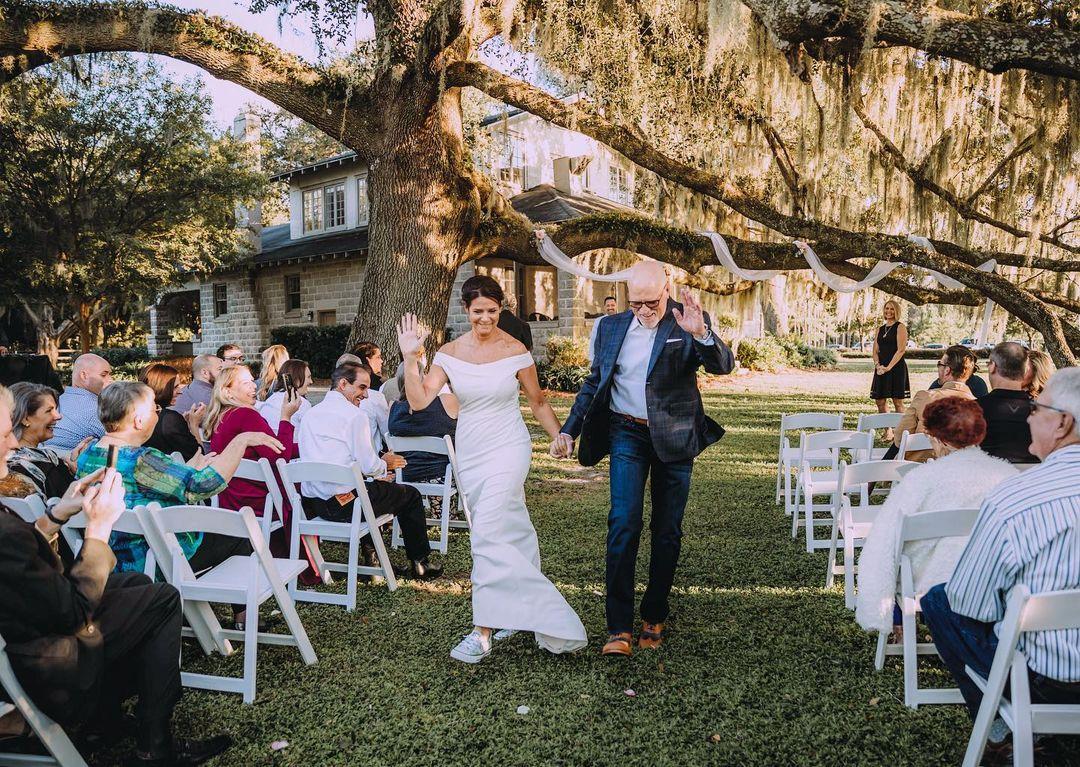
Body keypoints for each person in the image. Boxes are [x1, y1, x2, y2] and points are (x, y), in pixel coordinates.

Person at [0, 386, 233, 765]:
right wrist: (97, 530)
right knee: (162, 598)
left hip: (36, 636)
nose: (13, 443)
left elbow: (19, 557)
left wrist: (58, 514)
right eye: (4, 436)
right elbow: (74, 613)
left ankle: (105, 722)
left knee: (137, 584)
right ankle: (154, 744)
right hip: (52, 665)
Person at [399, 274, 586, 663]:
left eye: (492, 311)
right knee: (513, 528)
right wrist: (410, 358)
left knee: (485, 535)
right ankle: (521, 614)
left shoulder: (516, 350)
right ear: (466, 310)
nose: (485, 318)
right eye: (478, 311)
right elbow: (418, 402)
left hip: (509, 448)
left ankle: (482, 631)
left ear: (501, 309)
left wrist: (559, 435)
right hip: (471, 452)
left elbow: (537, 401)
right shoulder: (449, 353)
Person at [558, 263, 735, 657]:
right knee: (623, 522)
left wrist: (701, 334)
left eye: (650, 303)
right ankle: (618, 626)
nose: (642, 311)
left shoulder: (689, 320)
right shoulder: (610, 327)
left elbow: (723, 365)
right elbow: (594, 382)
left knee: (667, 529)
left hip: (675, 435)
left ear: (666, 288)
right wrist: (570, 429)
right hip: (627, 433)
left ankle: (654, 613)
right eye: (635, 303)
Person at [920, 368, 1080, 757]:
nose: (1028, 417)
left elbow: (970, 603)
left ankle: (998, 732)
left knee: (940, 600)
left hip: (1051, 679)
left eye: (1036, 409)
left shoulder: (1015, 499)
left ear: (1062, 423)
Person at [75, 382, 283, 584]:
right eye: (155, 409)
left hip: (108, 556)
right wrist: (241, 441)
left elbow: (144, 489)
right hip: (155, 558)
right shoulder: (142, 459)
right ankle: (239, 606)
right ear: (138, 421)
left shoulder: (88, 454)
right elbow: (204, 486)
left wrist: (190, 470)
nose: (158, 415)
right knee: (238, 533)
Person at [855, 397, 1017, 635]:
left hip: (928, 584)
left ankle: (901, 624)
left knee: (898, 554)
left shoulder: (919, 480)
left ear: (940, 439)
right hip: (991, 581)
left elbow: (883, 542)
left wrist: (876, 611)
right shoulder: (1008, 477)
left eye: (930, 436)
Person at [298, 362, 442, 580]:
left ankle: (373, 562)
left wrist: (375, 473)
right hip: (347, 506)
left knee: (370, 490)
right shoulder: (354, 416)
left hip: (315, 504)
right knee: (410, 495)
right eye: (362, 387)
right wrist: (385, 464)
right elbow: (369, 466)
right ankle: (421, 562)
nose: (365, 395)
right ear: (343, 384)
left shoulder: (310, 414)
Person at [204, 365, 300, 535]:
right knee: (307, 489)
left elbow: (270, 449)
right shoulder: (246, 415)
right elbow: (280, 457)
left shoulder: (222, 416)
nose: (254, 386)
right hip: (260, 502)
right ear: (228, 392)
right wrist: (286, 417)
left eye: (252, 381)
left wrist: (306, 448)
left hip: (231, 499)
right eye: (245, 383)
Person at [0, 382, 91, 501]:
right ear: (25, 418)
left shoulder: (7, 462)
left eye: (55, 409)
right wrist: (78, 472)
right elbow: (74, 501)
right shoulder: (44, 464)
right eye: (49, 411)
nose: (58, 416)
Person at [886, 345, 976, 462]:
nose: (938, 368)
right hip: (955, 470)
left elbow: (900, 438)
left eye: (940, 364)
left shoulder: (925, 396)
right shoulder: (977, 406)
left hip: (916, 468)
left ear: (947, 370)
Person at [387, 355, 458, 482]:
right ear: (421, 379)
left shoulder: (393, 407)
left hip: (405, 480)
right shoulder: (448, 401)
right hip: (443, 478)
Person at [977, 342, 1037, 464]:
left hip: (984, 473)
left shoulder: (971, 410)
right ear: (1025, 370)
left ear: (992, 366)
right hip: (1034, 474)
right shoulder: (1043, 412)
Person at [45, 352, 112, 451]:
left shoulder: (57, 400)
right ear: (84, 376)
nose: (110, 379)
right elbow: (122, 441)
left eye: (110, 374)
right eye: (104, 375)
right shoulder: (96, 410)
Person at [140, 363, 203, 460]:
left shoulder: (138, 414)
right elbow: (199, 456)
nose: (180, 391)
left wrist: (182, 425)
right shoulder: (169, 419)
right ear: (160, 388)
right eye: (175, 387)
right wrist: (194, 425)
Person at [869, 299, 910, 432]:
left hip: (896, 368)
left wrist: (889, 367)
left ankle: (900, 432)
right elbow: (875, 351)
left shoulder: (900, 327)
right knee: (880, 401)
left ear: (896, 311)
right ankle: (888, 431)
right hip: (881, 368)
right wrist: (878, 365)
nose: (889, 311)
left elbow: (901, 350)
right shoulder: (880, 329)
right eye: (887, 308)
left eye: (892, 309)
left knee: (897, 402)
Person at [338, 353, 390, 450]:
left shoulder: (318, 410)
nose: (366, 395)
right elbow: (387, 433)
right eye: (362, 387)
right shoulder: (374, 398)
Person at [256, 358, 313, 431]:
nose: (311, 381)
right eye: (308, 377)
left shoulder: (269, 401)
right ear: (297, 380)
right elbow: (311, 432)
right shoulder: (302, 404)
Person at [587, 296, 619, 363]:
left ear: (616, 306)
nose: (610, 307)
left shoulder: (622, 319)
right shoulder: (599, 321)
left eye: (612, 305)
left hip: (619, 357)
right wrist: (592, 359)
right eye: (608, 305)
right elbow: (593, 339)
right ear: (604, 307)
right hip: (604, 357)